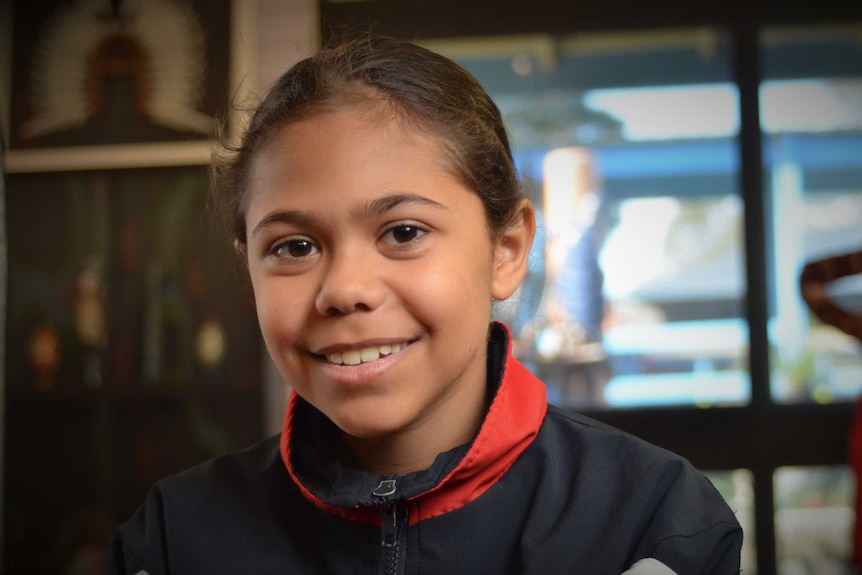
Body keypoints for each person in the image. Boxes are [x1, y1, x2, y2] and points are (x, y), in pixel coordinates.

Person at [109, 35, 743, 574]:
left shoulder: (650, 523)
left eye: (404, 233)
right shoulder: (172, 539)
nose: (345, 290)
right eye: (294, 246)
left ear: (507, 249)